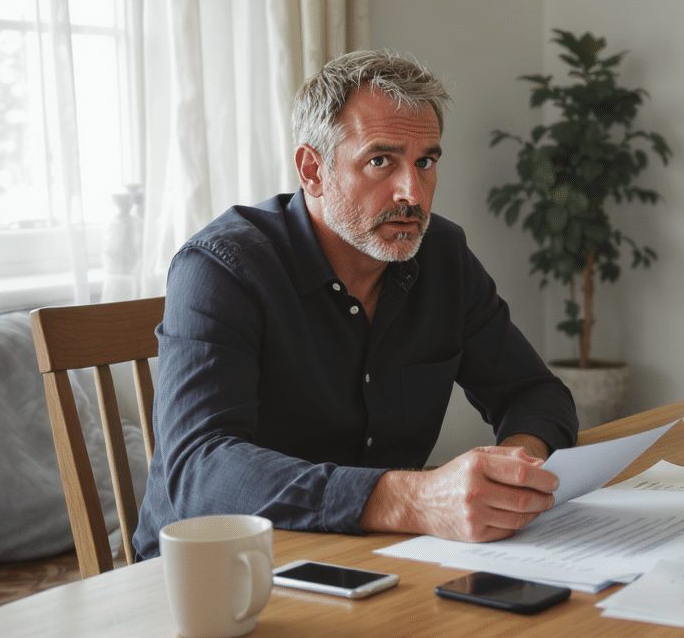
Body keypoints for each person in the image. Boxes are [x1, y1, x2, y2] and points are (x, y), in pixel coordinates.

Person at [133, 50, 578, 559]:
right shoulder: (222, 269)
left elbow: (534, 392)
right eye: (380, 160)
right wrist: (414, 499)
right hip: (220, 570)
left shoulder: (442, 255)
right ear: (313, 169)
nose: (412, 192)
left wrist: (510, 473)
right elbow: (201, 470)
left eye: (426, 162)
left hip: (376, 555)